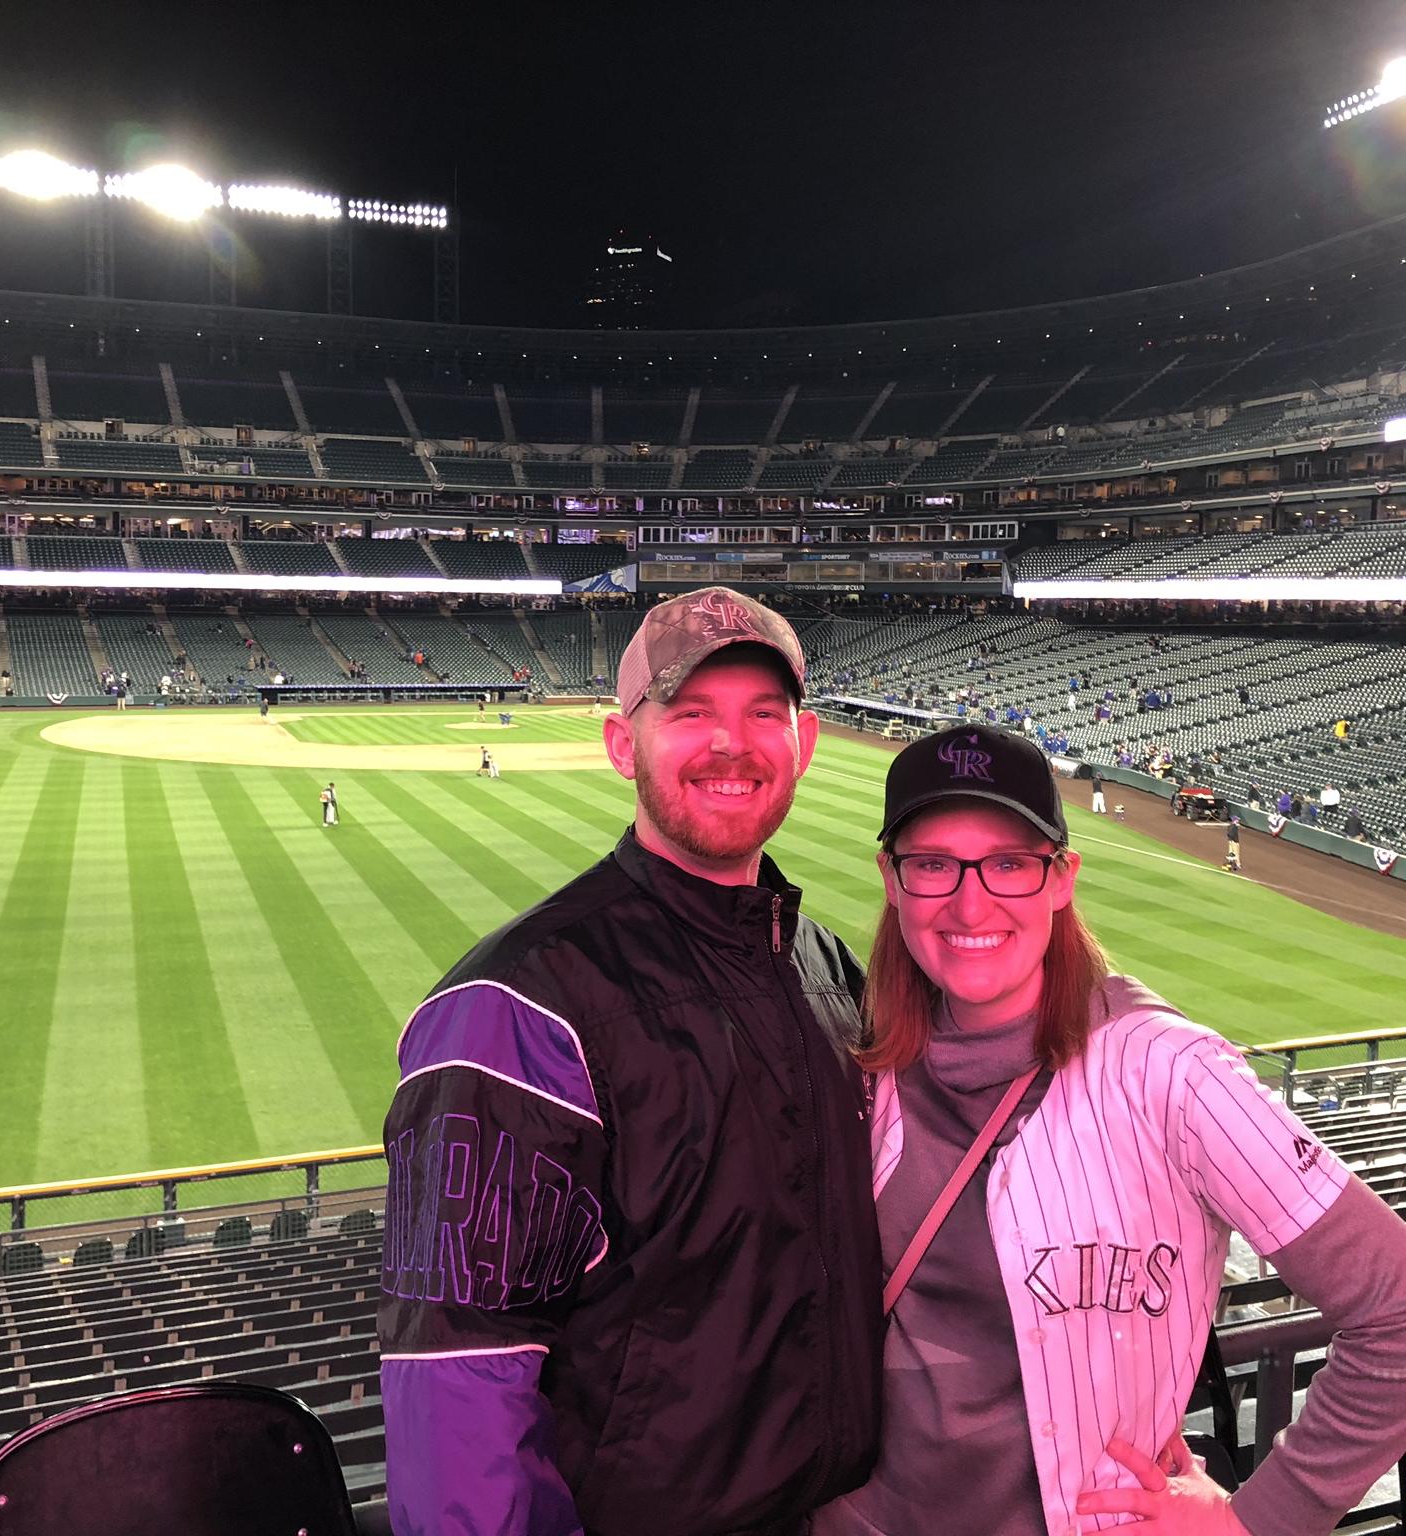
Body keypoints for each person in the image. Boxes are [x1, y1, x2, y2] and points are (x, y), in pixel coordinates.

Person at [812, 722, 1406, 1536]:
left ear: (1062, 879)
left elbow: (1396, 1308)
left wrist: (1260, 1521)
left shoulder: (1173, 1072)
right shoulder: (868, 1060)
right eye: (933, 863)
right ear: (892, 879)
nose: (969, 900)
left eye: (1011, 864)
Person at [378, 587, 882, 1536]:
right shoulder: (512, 1005)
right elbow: (456, 1378)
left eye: (762, 715)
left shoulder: (823, 969)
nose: (733, 745)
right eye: (691, 713)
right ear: (623, 746)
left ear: (804, 744)